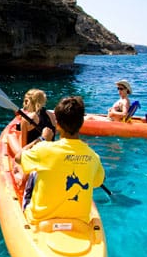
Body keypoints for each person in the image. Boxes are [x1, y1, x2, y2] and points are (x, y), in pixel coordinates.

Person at [15, 96, 105, 224]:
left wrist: (42, 139)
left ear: (58, 125)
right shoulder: (93, 156)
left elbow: (18, 157)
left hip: (40, 219)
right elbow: (97, 182)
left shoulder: (43, 149)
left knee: (34, 173)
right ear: (81, 123)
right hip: (79, 222)